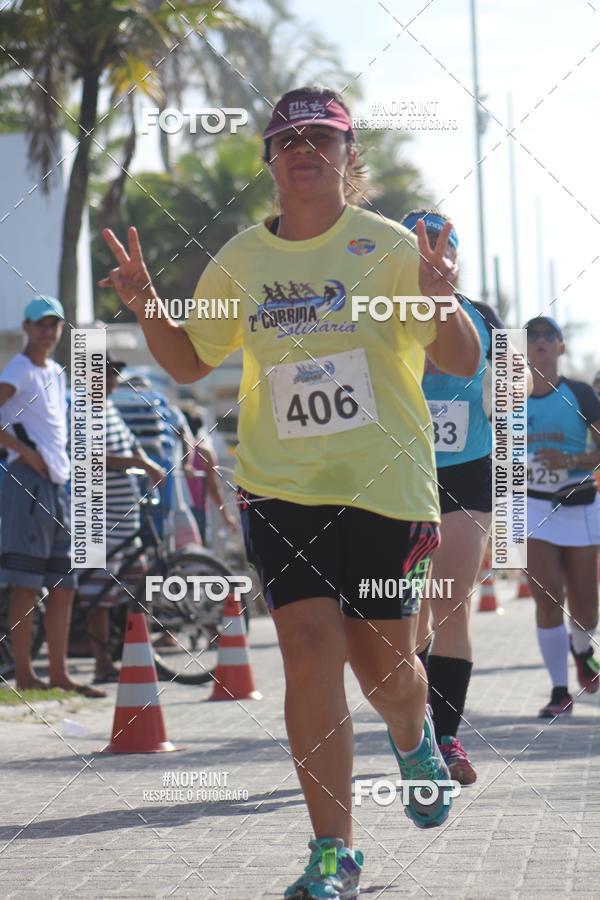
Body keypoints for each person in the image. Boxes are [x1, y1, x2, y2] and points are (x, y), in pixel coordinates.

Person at [99, 85, 481, 900]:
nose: (304, 148)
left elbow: (461, 361)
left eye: (323, 136)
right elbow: (191, 362)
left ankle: (415, 740)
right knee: (310, 656)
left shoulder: (388, 247)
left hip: (386, 487)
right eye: (288, 139)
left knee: (386, 674)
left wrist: (444, 296)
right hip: (280, 488)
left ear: (350, 156)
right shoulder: (240, 259)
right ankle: (332, 852)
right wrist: (146, 306)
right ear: (270, 159)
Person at [404, 210, 509, 786]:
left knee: (451, 603)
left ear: (456, 256)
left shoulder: (486, 319)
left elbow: (511, 398)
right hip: (400, 473)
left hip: (468, 473)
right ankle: (414, 731)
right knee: (408, 613)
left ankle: (446, 736)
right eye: (419, 246)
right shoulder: (383, 313)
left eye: (443, 247)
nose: (432, 256)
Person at [0, 296, 104, 696]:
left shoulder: (57, 372)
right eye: (41, 324)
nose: (48, 332)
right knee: (26, 582)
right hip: (28, 482)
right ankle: (25, 674)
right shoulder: (18, 369)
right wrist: (23, 452)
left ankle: (59, 674)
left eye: (54, 325)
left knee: (64, 583)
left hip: (60, 483)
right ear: (26, 327)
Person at [525, 316, 600, 717]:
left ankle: (583, 649)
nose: (539, 341)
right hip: (534, 505)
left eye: (547, 335)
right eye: (531, 336)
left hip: (581, 503)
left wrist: (569, 459)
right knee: (548, 597)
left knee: (587, 609)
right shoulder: (509, 400)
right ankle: (559, 692)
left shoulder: (581, 394)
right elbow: (495, 456)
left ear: (560, 347)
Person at [81, 355, 165, 682]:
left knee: (138, 584)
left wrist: (147, 463)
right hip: (98, 515)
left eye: (115, 373)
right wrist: (139, 463)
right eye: (108, 373)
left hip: (126, 513)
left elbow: (133, 445)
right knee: (98, 595)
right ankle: (102, 664)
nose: (114, 379)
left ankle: (137, 653)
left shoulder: (110, 409)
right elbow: (90, 457)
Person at [184, 414, 237, 545]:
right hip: (198, 509)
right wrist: (226, 517)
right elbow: (213, 488)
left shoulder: (174, 451)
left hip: (173, 509)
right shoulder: (205, 452)